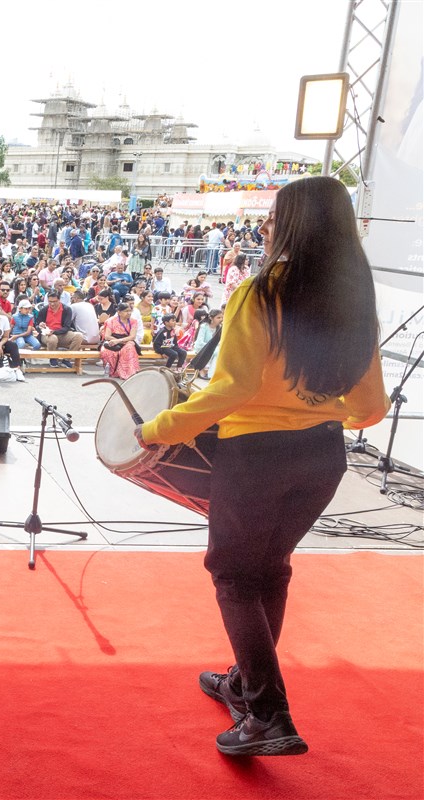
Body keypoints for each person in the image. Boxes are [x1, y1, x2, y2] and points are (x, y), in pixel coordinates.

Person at [138, 177, 389, 757]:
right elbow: (370, 408)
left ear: (294, 225)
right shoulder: (356, 301)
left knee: (232, 576)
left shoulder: (260, 292)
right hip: (322, 456)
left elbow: (235, 387)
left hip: (256, 458)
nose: (266, 226)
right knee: (270, 570)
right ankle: (246, 688)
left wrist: (160, 428)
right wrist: (318, 411)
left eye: (274, 216)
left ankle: (269, 714)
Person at [37, 292, 84, 367]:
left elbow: (67, 327)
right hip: (47, 335)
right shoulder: (44, 310)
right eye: (50, 302)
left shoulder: (67, 309)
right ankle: (52, 358)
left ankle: (67, 359)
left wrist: (54, 332)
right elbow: (37, 324)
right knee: (53, 338)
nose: (52, 304)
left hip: (62, 333)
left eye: (54, 301)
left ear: (59, 300)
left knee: (79, 336)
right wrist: (40, 326)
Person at [99, 301, 141, 379]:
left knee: (130, 347)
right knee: (107, 351)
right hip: (112, 340)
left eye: (130, 311)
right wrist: (115, 341)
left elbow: (132, 336)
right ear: (119, 312)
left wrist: (119, 341)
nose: (129, 313)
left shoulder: (133, 321)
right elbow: (107, 336)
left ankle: (129, 373)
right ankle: (114, 372)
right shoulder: (110, 321)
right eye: (126, 311)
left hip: (126, 340)